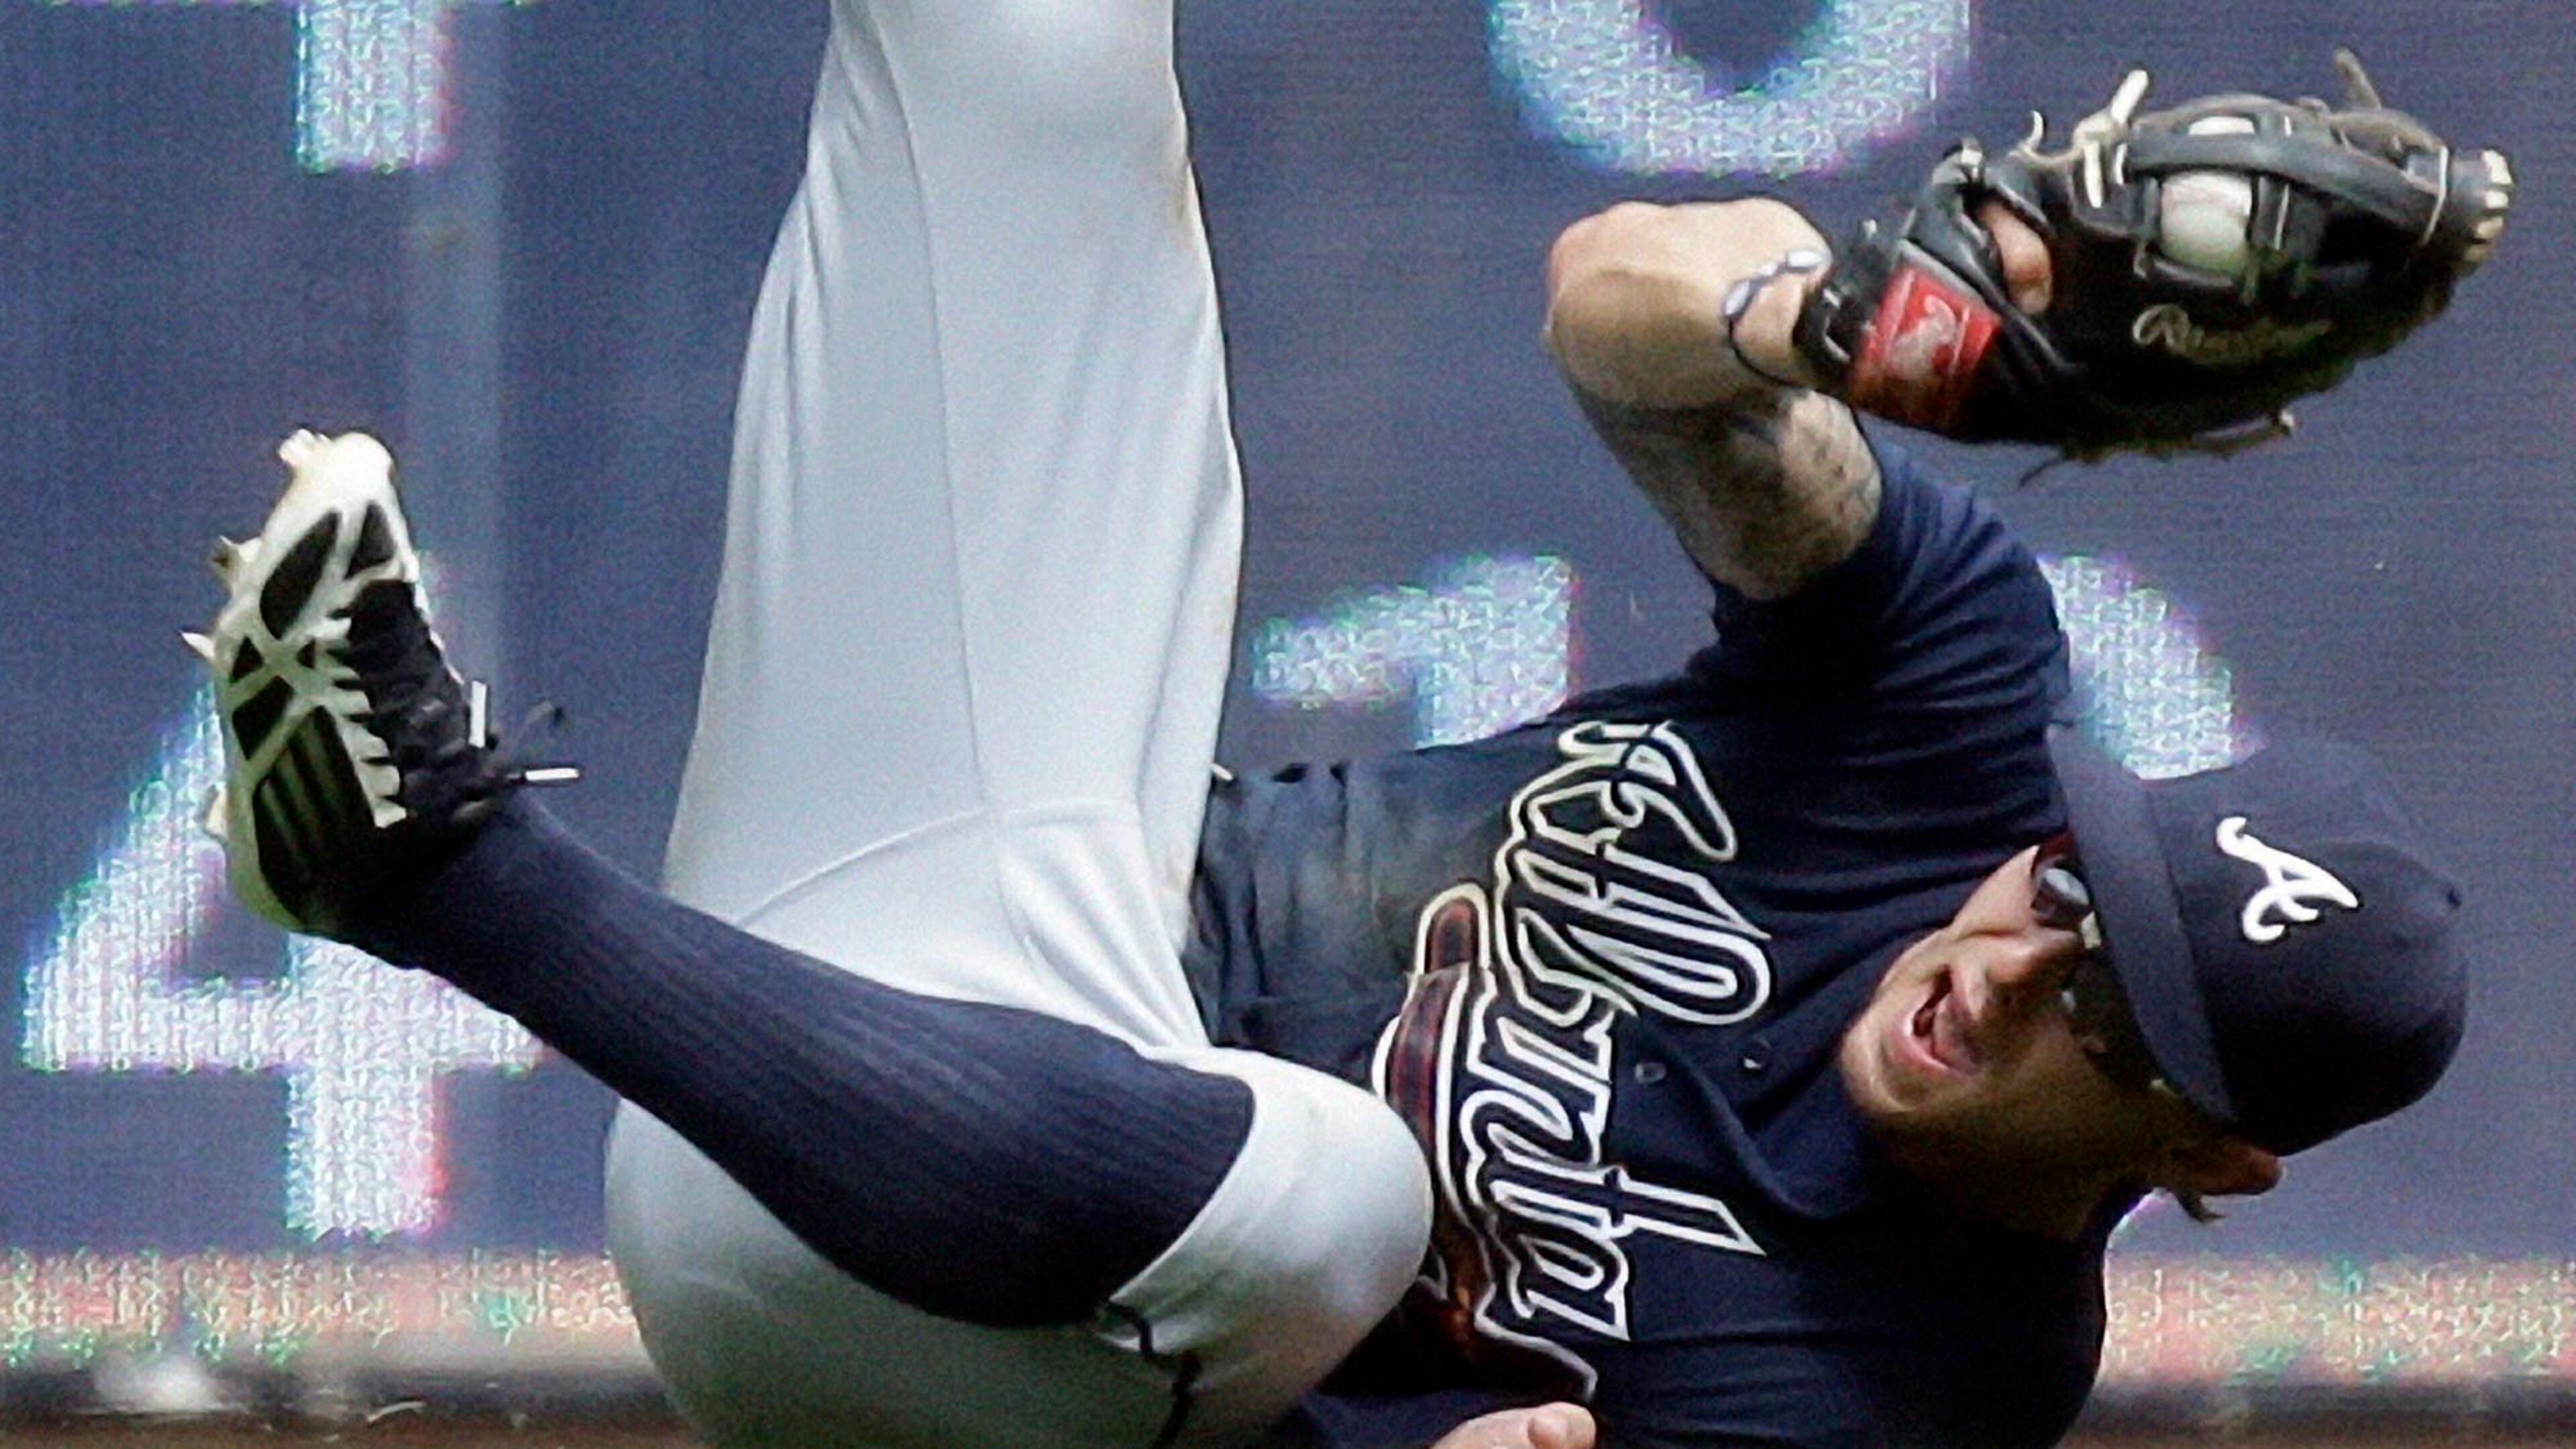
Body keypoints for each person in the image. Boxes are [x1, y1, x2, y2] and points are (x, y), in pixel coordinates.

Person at [191, 7, 2483, 1448]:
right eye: (2069, 894)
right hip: (901, 963)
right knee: (1040, 57)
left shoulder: (1932, 1386)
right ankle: (431, 861)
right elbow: (1613, 314)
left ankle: (429, 869)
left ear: (2207, 1163)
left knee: (1333, 1194)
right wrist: (1844, 325)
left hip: (954, 1347)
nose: (2013, 962)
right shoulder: (1947, 716)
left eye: (2113, 1007)